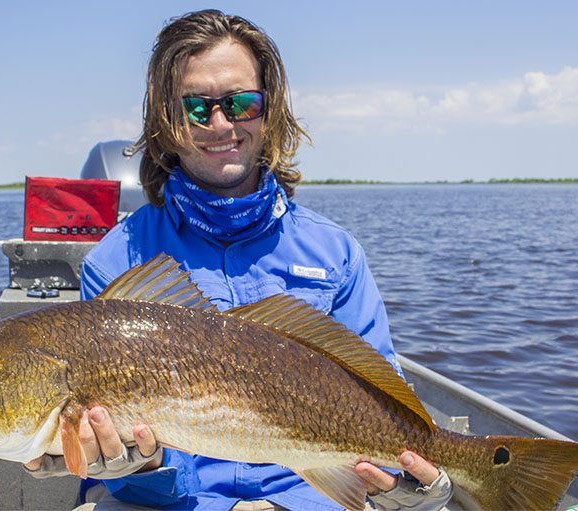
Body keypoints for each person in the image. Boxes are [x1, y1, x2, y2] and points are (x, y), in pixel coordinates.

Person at [25, 9, 453, 511]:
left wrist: (418, 480)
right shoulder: (118, 258)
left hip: (310, 498)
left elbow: (383, 390)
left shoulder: (334, 253)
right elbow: (122, 463)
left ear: (269, 111)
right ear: (166, 119)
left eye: (242, 103)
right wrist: (139, 465)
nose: (221, 123)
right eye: (196, 108)